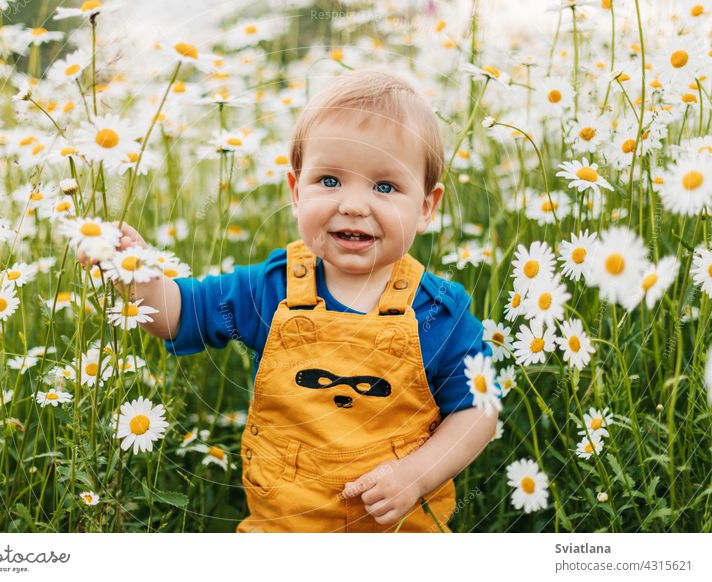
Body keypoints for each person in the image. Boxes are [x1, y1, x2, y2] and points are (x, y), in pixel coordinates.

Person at [79, 69, 499, 533]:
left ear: (426, 206)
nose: (354, 205)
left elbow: (478, 410)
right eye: (330, 180)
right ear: (296, 192)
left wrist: (416, 476)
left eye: (384, 187)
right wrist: (136, 272)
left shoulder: (440, 312)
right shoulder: (269, 289)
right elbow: (177, 314)